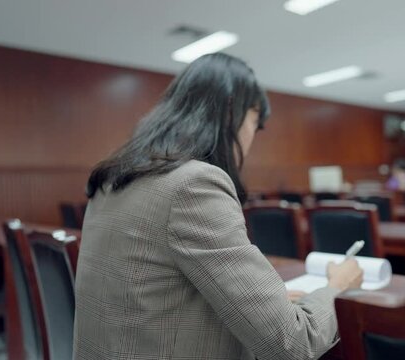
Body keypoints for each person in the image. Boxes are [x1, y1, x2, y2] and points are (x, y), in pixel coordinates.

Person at [73, 53, 364, 360]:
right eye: (256, 123)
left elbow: (152, 295)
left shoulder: (112, 180)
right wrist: (337, 287)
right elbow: (293, 343)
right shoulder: (193, 184)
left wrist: (270, 305)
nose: (252, 139)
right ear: (231, 114)